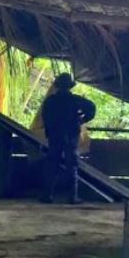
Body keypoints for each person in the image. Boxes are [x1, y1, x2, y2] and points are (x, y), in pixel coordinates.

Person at [39, 73, 96, 204]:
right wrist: (82, 119)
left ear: (57, 86)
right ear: (69, 87)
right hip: (70, 136)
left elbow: (45, 118)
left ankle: (47, 195)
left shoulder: (51, 101)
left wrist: (50, 130)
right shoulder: (75, 100)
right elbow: (92, 108)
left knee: (52, 164)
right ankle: (73, 196)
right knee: (72, 166)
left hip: (55, 136)